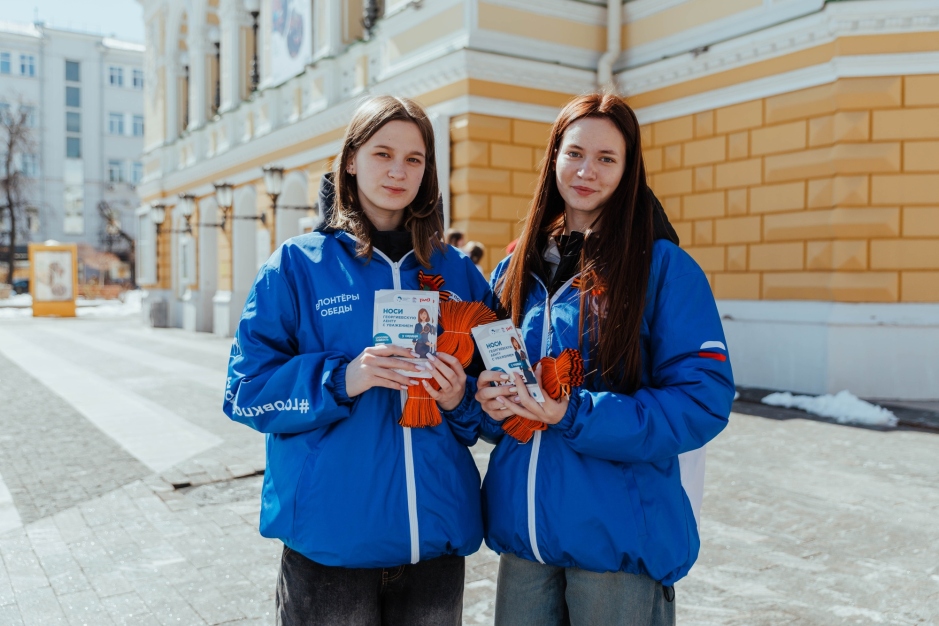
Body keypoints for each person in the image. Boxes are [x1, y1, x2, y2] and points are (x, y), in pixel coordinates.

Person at [223, 95, 493, 626]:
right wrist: (342, 378)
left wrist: (459, 397)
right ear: (351, 159)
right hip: (331, 545)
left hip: (434, 541)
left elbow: (496, 407)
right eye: (382, 154)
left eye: (414, 159)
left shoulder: (458, 272)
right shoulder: (296, 265)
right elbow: (246, 391)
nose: (398, 171)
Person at [474, 93, 735, 625]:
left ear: (628, 169)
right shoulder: (514, 270)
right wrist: (489, 402)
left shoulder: (663, 268)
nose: (586, 170)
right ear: (553, 158)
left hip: (616, 546)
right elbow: (493, 385)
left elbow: (702, 400)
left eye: (606, 158)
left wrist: (573, 413)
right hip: (526, 542)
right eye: (574, 153)